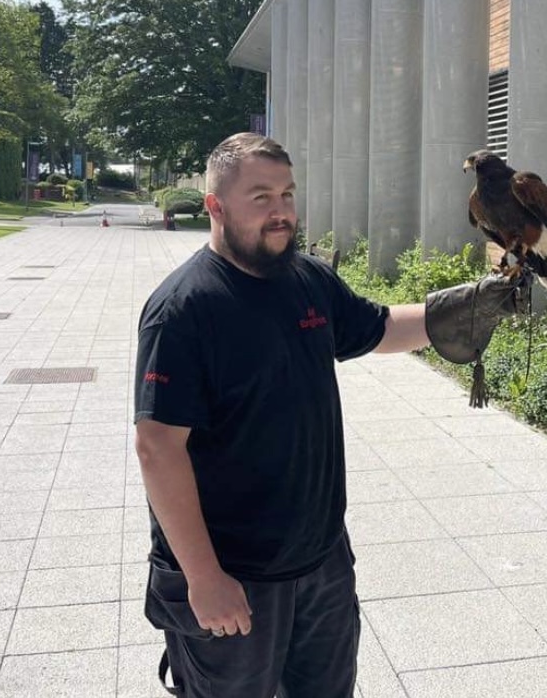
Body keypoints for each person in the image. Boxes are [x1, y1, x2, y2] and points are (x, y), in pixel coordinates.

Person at [134, 132, 525, 698]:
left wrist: (467, 305)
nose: (281, 212)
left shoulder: (307, 279)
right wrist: (203, 577)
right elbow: (158, 448)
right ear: (215, 206)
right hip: (233, 572)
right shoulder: (183, 310)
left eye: (288, 195)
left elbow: (379, 327)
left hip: (321, 562)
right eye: (261, 197)